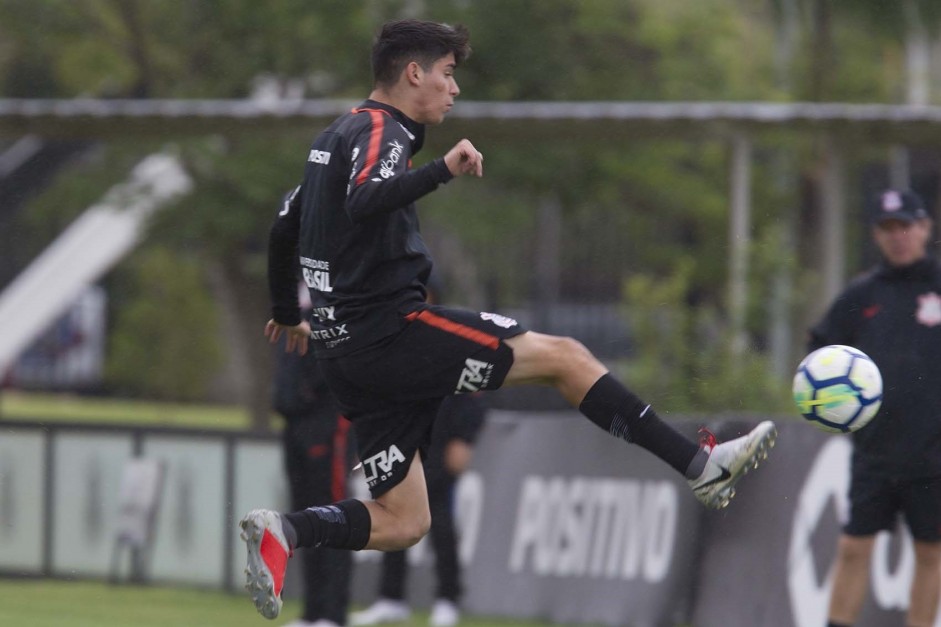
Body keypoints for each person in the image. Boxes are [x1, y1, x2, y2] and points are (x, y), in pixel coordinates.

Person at [239, 19, 777, 621]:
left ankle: (285, 531)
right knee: (566, 358)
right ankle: (701, 467)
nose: (454, 89)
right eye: (447, 73)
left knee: (405, 522)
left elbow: (284, 226)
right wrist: (443, 168)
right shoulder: (379, 129)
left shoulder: (332, 138)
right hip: (392, 334)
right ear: (413, 73)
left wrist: (289, 313)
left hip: (349, 360)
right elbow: (366, 197)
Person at [812, 189, 941, 627]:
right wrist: (828, 402)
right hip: (874, 450)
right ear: (876, 236)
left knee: (931, 553)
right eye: (888, 229)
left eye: (905, 226)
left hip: (934, 454)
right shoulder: (863, 294)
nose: (898, 236)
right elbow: (819, 355)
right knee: (853, 547)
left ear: (925, 227)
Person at [351, 392, 487, 627]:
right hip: (406, 433)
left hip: (442, 429)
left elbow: (474, 383)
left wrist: (464, 434)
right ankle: (391, 597)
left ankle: (448, 598)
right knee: (394, 515)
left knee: (441, 521)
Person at [274, 281, 355, 627]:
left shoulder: (339, 278)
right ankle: (313, 609)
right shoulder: (294, 281)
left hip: (327, 419)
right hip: (295, 422)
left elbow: (340, 350)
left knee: (333, 513)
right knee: (304, 517)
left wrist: (308, 392)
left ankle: (334, 614)